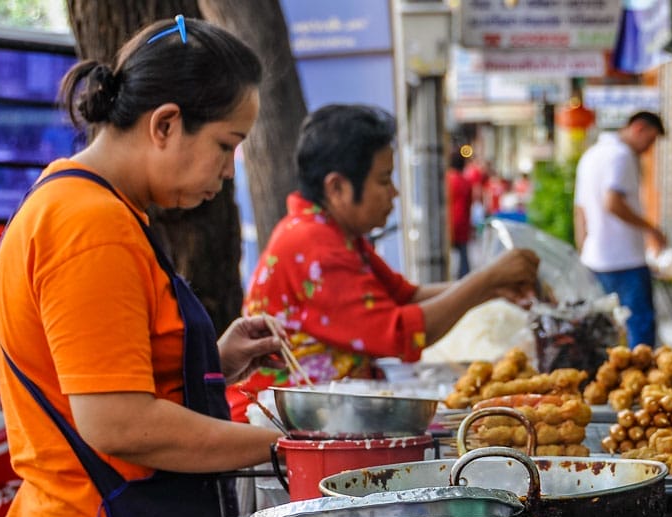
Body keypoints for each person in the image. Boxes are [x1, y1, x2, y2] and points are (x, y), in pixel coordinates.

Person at [0, 16, 283, 517]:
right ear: (165, 124)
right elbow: (117, 423)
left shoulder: (95, 208)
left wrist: (213, 362)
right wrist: (287, 445)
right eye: (228, 145)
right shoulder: (90, 226)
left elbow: (100, 374)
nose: (228, 171)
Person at [229, 104, 539, 416]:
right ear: (337, 187)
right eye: (384, 180)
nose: (393, 193)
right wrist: (486, 280)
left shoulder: (335, 233)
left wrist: (492, 288)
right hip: (276, 426)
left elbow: (406, 297)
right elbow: (400, 334)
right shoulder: (313, 246)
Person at [574, 110, 667, 347]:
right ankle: (642, 383)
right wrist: (651, 229)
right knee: (639, 334)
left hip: (594, 259)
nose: (649, 148)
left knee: (605, 334)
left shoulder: (591, 155)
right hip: (625, 260)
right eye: (651, 140)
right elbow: (612, 202)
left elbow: (580, 211)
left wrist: (583, 250)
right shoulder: (621, 155)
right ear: (639, 128)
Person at [446, 148, 474, 278]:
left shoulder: (446, 180)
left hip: (447, 225)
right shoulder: (466, 182)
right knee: (464, 263)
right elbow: (469, 205)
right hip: (462, 225)